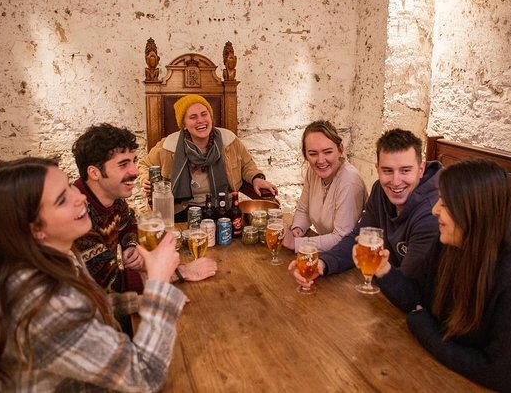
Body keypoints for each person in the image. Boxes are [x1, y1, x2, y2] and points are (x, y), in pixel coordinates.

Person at [0, 157, 185, 392]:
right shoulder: (41, 302)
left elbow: (82, 308)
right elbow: (145, 376)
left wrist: (135, 302)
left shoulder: (51, 259)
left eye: (70, 186)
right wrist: (158, 281)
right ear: (35, 230)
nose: (80, 197)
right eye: (62, 200)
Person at [373, 159, 511, 392]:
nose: (435, 209)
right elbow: (416, 295)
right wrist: (383, 270)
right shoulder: (451, 243)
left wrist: (424, 329)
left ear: (473, 211)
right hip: (455, 373)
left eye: (445, 203)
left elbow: (502, 376)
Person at [72, 124, 217, 296]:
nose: (134, 171)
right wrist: (182, 272)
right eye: (123, 164)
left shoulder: (112, 196)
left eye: (133, 161)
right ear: (94, 172)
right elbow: (113, 284)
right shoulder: (77, 215)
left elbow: (129, 224)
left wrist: (130, 245)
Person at [291, 128, 442, 288]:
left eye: (405, 170)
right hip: (386, 288)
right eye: (387, 171)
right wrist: (323, 264)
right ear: (377, 169)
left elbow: (410, 291)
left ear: (421, 170)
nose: (396, 181)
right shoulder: (380, 190)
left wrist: (381, 269)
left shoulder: (432, 214)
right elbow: (357, 237)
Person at [138, 94, 277, 222]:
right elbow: (144, 164)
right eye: (193, 117)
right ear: (184, 125)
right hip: (183, 210)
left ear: (210, 117)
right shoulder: (168, 146)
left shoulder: (229, 141)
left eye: (204, 114)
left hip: (223, 207)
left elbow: (247, 165)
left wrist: (256, 178)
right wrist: (145, 179)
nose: (200, 121)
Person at [283, 120, 367, 252]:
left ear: (340, 149)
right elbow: (303, 210)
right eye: (313, 154)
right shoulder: (313, 171)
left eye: (327, 152)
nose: (320, 160)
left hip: (350, 259)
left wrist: (296, 244)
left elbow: (342, 238)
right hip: (327, 252)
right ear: (305, 155)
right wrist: (298, 228)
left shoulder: (349, 181)